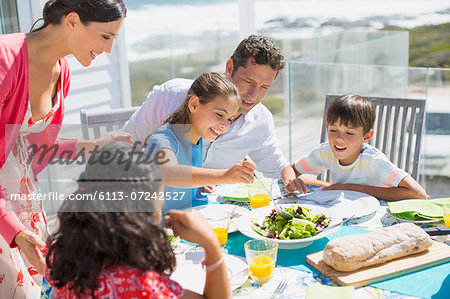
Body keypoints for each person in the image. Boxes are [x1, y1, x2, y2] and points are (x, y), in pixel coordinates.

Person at [0, 1, 131, 297]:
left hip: (23, 203)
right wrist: (14, 231)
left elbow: (35, 145)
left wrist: (93, 146)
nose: (109, 50)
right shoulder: (4, 60)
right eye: (105, 37)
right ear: (72, 21)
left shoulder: (62, 71)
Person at [46, 142, 230, 299]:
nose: (161, 214)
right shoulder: (140, 285)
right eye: (158, 206)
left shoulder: (63, 253)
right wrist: (211, 244)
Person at [125, 35, 305, 192]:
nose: (253, 95)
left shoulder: (259, 120)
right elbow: (130, 151)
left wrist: (323, 185)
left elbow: (278, 167)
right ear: (229, 68)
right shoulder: (170, 100)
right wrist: (222, 176)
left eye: (264, 87)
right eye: (248, 81)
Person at [282, 94, 427, 201]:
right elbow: (290, 169)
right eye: (333, 130)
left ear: (366, 137)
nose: (339, 138)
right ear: (327, 128)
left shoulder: (373, 160)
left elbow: (418, 194)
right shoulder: (325, 152)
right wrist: (291, 182)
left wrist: (349, 187)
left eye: (349, 132)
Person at [146, 72, 256, 211]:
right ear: (194, 104)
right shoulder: (163, 139)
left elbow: (180, 181)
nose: (225, 125)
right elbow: (171, 174)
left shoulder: (196, 141)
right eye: (219, 115)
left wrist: (197, 185)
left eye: (229, 119)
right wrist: (224, 176)